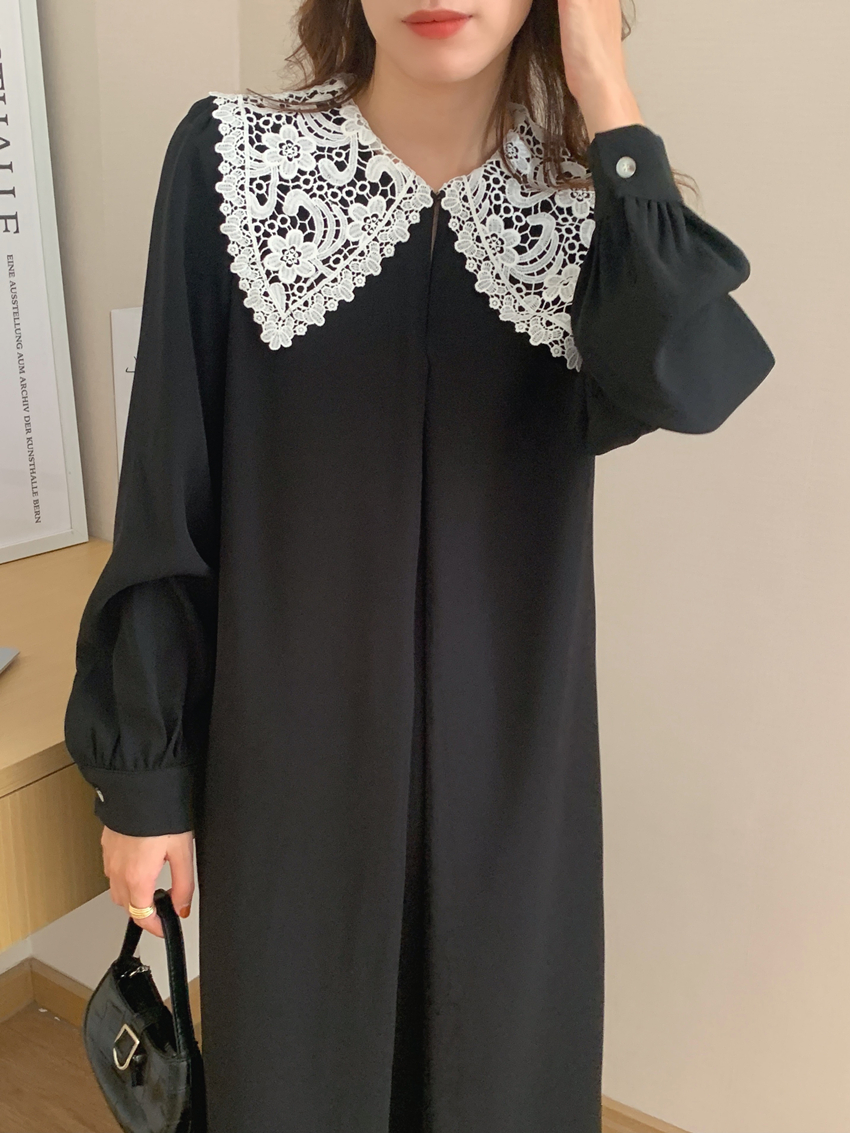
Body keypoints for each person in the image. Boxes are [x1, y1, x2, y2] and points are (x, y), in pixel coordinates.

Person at [63, 0, 775, 1128]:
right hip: (289, 782)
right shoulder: (232, 165)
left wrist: (602, 83)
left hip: (513, 795)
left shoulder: (583, 210)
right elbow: (168, 486)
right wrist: (145, 780)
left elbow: (691, 373)